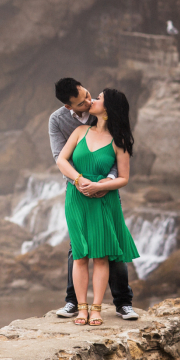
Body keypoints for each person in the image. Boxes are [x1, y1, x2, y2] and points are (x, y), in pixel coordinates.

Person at [49, 78, 139, 321]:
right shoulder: (61, 121)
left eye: (92, 96)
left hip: (104, 193)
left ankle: (122, 302)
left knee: (111, 247)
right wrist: (80, 183)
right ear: (70, 107)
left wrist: (103, 184)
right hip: (77, 191)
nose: (90, 102)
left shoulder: (105, 124)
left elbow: (120, 169)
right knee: (77, 252)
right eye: (83, 102)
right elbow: (60, 158)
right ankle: (75, 303)